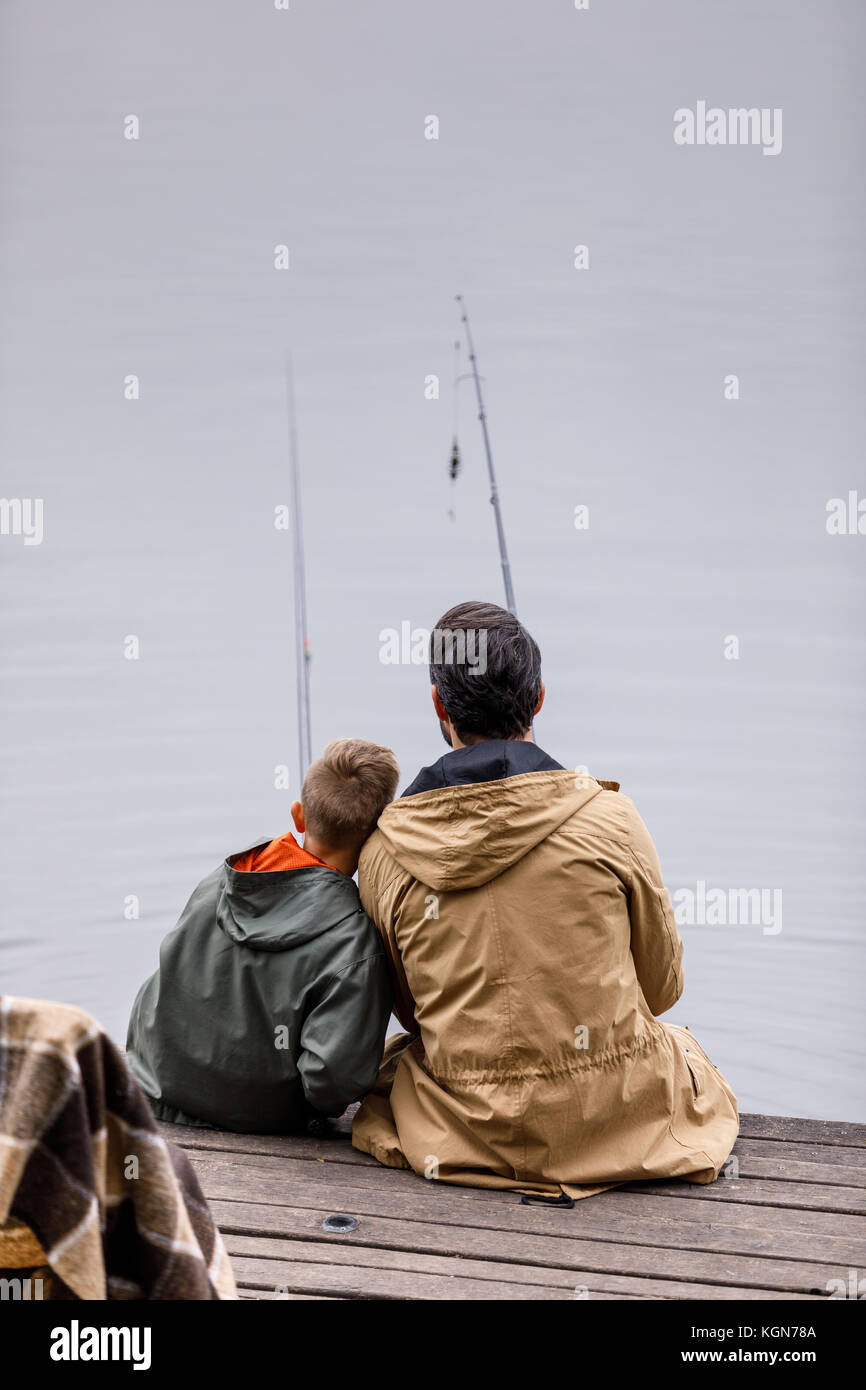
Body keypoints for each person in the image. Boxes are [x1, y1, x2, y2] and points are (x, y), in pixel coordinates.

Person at [352, 601, 739, 1199]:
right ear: (537, 700)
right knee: (685, 1048)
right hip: (617, 1122)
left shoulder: (384, 852)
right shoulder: (611, 821)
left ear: (438, 705)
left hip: (461, 1130)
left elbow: (412, 1013)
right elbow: (662, 989)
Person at [127, 738, 399, 1134]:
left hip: (156, 1085)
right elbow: (331, 1084)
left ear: (299, 815)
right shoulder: (355, 944)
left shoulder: (221, 880)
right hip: (262, 1119)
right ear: (378, 834)